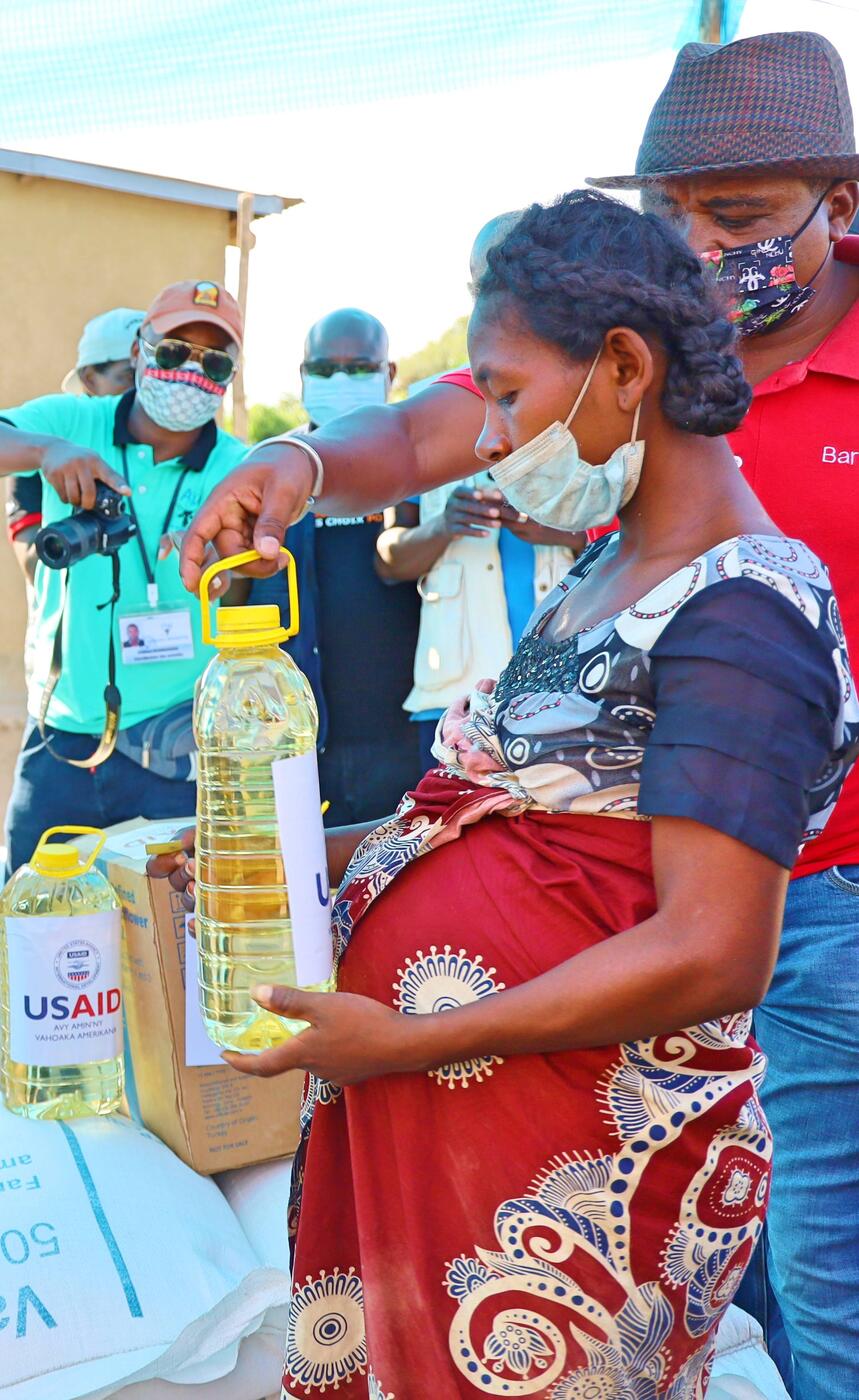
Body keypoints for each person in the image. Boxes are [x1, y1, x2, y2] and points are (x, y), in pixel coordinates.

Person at [175, 190, 855, 1398]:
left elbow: (713, 951)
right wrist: (285, 855)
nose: (485, 438)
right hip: (465, 1167)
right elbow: (513, 819)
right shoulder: (604, 572)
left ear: (625, 369)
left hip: (566, 1209)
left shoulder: (741, 608)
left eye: (501, 391)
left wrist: (414, 1037)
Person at [585, 33, 859, 1398]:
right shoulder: (640, 354)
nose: (693, 248)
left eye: (737, 217)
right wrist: (294, 458)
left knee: (829, 1289)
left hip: (832, 909)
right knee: (701, 1272)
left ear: (839, 210)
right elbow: (461, 414)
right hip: (656, 905)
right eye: (666, 214)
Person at [1, 279, 248, 873]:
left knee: (168, 944)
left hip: (171, 748)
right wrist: (45, 452)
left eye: (213, 360)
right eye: (171, 351)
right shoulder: (72, 421)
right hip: (61, 738)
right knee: (31, 928)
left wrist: (221, 572)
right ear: (138, 351)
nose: (191, 373)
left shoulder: (238, 465)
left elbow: (238, 590)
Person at [377, 215, 582, 770]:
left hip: (564, 696)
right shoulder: (433, 403)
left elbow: (640, 539)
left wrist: (558, 530)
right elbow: (389, 558)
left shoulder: (589, 389)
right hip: (457, 701)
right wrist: (444, 527)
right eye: (487, 282)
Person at [249, 308, 421, 824]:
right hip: (296, 747)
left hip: (407, 742)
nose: (340, 381)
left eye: (359, 366)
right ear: (301, 376)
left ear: (389, 375)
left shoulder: (422, 466)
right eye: (323, 370)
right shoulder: (273, 468)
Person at [7, 306, 144, 587]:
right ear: (90, 379)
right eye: (130, 376)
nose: (143, 388)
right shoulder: (45, 435)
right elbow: (33, 563)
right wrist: (85, 529)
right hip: (67, 627)